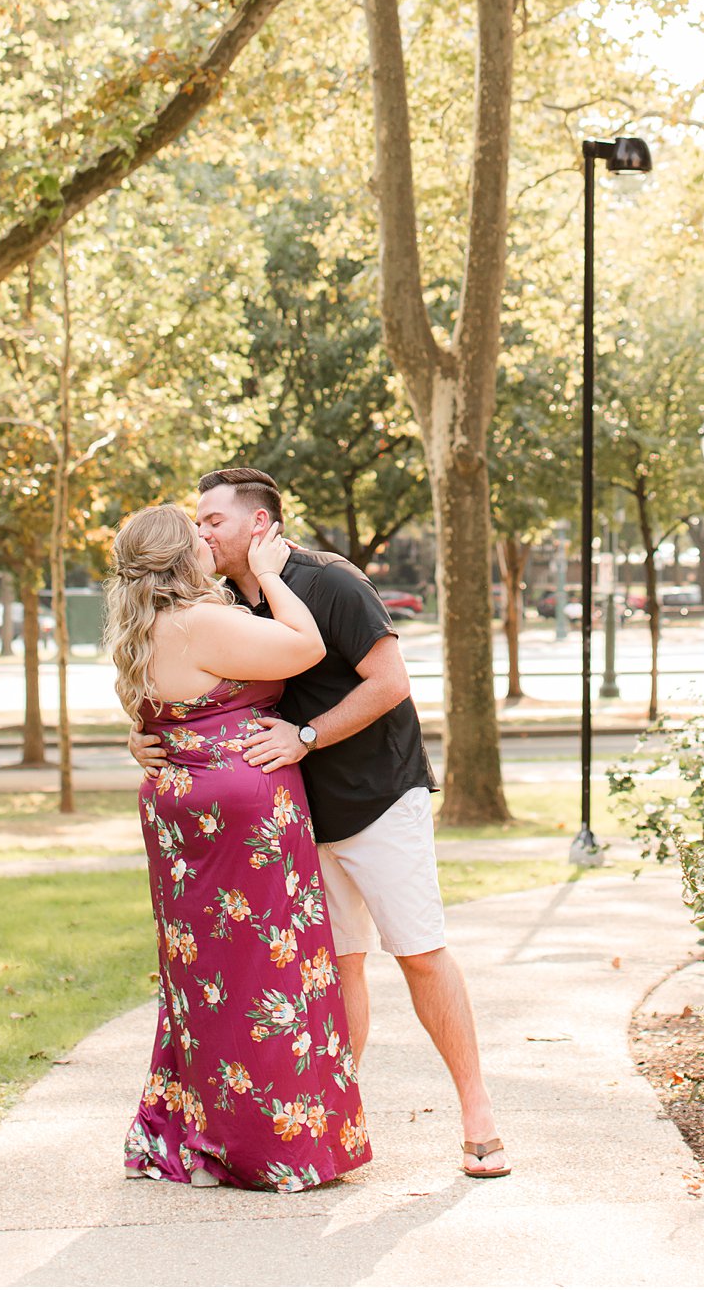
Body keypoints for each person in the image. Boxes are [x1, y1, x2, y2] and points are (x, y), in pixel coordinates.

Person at [130, 467, 510, 1180]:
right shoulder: (217, 600)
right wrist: (146, 735)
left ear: (259, 524)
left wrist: (304, 738)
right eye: (197, 522)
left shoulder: (329, 580)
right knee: (334, 972)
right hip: (295, 823)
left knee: (421, 951)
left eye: (213, 520)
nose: (201, 531)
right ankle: (327, 1127)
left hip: (376, 799)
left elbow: (390, 682)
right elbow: (194, 691)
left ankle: (478, 1111)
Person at [107, 501, 371, 1192]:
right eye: (196, 532)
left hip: (177, 813)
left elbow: (154, 715)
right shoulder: (206, 621)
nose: (207, 537)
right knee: (263, 975)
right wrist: (268, 573)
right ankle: (265, 1144)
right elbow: (305, 646)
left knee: (200, 980)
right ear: (178, 555)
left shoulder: (140, 625)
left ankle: (198, 1134)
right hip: (243, 818)